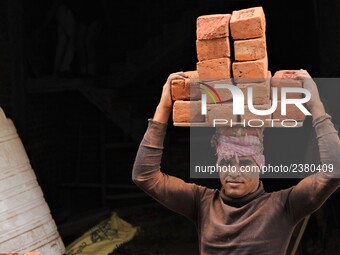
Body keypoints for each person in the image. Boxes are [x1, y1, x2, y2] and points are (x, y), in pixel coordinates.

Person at [132, 70, 340, 254]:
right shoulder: (202, 204)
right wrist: (164, 105)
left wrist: (315, 104)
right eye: (227, 162)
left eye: (246, 163)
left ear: (260, 165)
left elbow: (335, 170)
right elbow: (145, 176)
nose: (234, 171)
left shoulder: (283, 206)